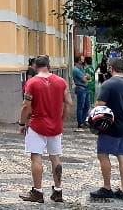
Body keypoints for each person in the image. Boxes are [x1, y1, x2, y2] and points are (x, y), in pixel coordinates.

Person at [18, 55, 71, 204]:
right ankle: (58, 191)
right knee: (55, 157)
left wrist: (22, 123)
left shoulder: (32, 82)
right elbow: (68, 103)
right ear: (49, 65)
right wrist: (61, 119)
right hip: (55, 125)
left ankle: (38, 191)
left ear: (35, 66)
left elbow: (25, 105)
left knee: (36, 157)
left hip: (37, 124)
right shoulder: (61, 82)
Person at [89, 57, 123, 200]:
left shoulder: (108, 84)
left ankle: (107, 187)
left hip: (110, 127)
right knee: (122, 156)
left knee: (103, 155)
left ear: (111, 68)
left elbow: (100, 105)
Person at [73, 55, 91, 132]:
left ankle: (83, 120)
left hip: (85, 88)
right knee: (81, 106)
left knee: (87, 106)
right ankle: (80, 122)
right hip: (81, 88)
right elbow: (84, 79)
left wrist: (87, 77)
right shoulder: (76, 69)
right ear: (79, 61)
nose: (84, 60)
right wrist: (86, 77)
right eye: (82, 59)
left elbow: (88, 77)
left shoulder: (81, 68)